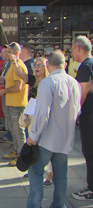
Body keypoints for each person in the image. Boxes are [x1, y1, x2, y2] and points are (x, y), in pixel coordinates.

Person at [26, 52, 81, 208]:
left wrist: (34, 135)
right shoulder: (74, 83)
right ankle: (59, 204)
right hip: (65, 137)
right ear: (65, 64)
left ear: (48, 65)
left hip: (47, 137)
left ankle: (35, 205)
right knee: (61, 174)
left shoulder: (48, 82)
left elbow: (43, 112)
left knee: (36, 170)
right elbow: (77, 110)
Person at [0, 42, 28, 166]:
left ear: (16, 52)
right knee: (13, 130)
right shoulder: (11, 65)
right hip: (11, 103)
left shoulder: (19, 66)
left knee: (18, 131)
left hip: (17, 104)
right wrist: (3, 84)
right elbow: (12, 83)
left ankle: (22, 156)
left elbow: (18, 87)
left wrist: (4, 90)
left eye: (9, 51)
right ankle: (16, 151)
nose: (7, 53)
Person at [72, 36, 93, 201]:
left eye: (72, 49)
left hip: (89, 116)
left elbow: (83, 93)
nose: (72, 53)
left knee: (89, 151)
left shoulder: (85, 66)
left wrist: (74, 113)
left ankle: (91, 189)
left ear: (78, 48)